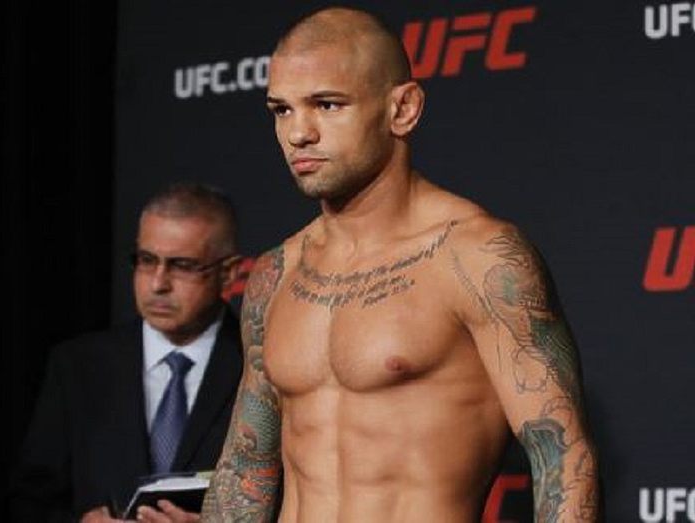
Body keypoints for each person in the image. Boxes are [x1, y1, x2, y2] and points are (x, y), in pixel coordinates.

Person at [198, 7, 600, 523]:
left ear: (403, 109)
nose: (298, 133)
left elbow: (564, 460)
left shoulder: (476, 257)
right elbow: (244, 471)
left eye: (327, 104)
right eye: (282, 110)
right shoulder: (277, 273)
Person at [10, 183, 244, 522]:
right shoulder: (78, 366)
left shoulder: (264, 367)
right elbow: (28, 503)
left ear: (228, 274)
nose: (158, 284)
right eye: (147, 260)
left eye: (181, 265)